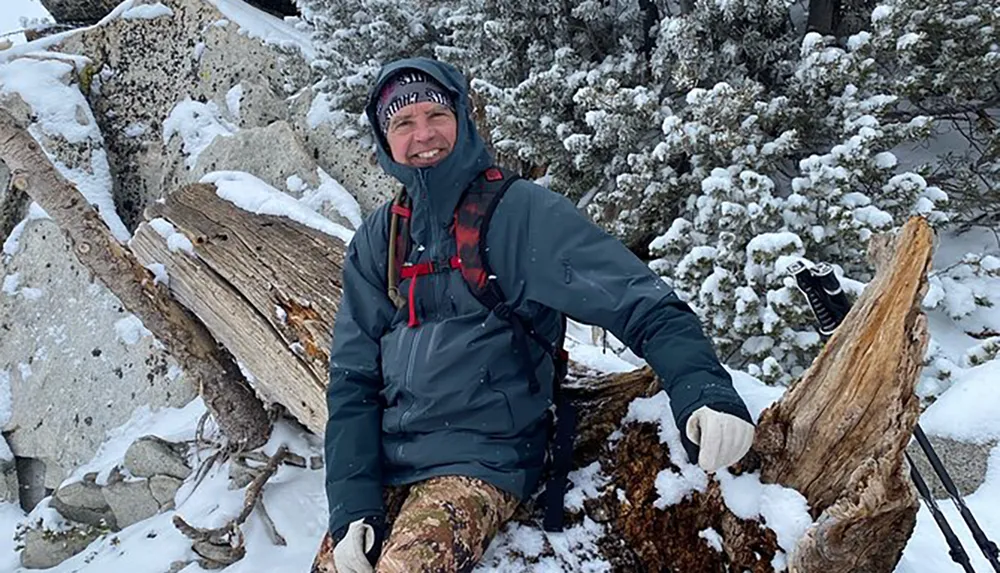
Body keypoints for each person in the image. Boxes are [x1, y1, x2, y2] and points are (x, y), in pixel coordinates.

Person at [314, 57, 756, 573]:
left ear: (461, 116)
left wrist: (704, 389)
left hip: (483, 457)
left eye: (435, 114)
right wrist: (351, 509)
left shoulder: (518, 212)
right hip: (391, 463)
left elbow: (640, 300)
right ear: (385, 140)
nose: (423, 134)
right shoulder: (381, 236)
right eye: (403, 123)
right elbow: (352, 379)